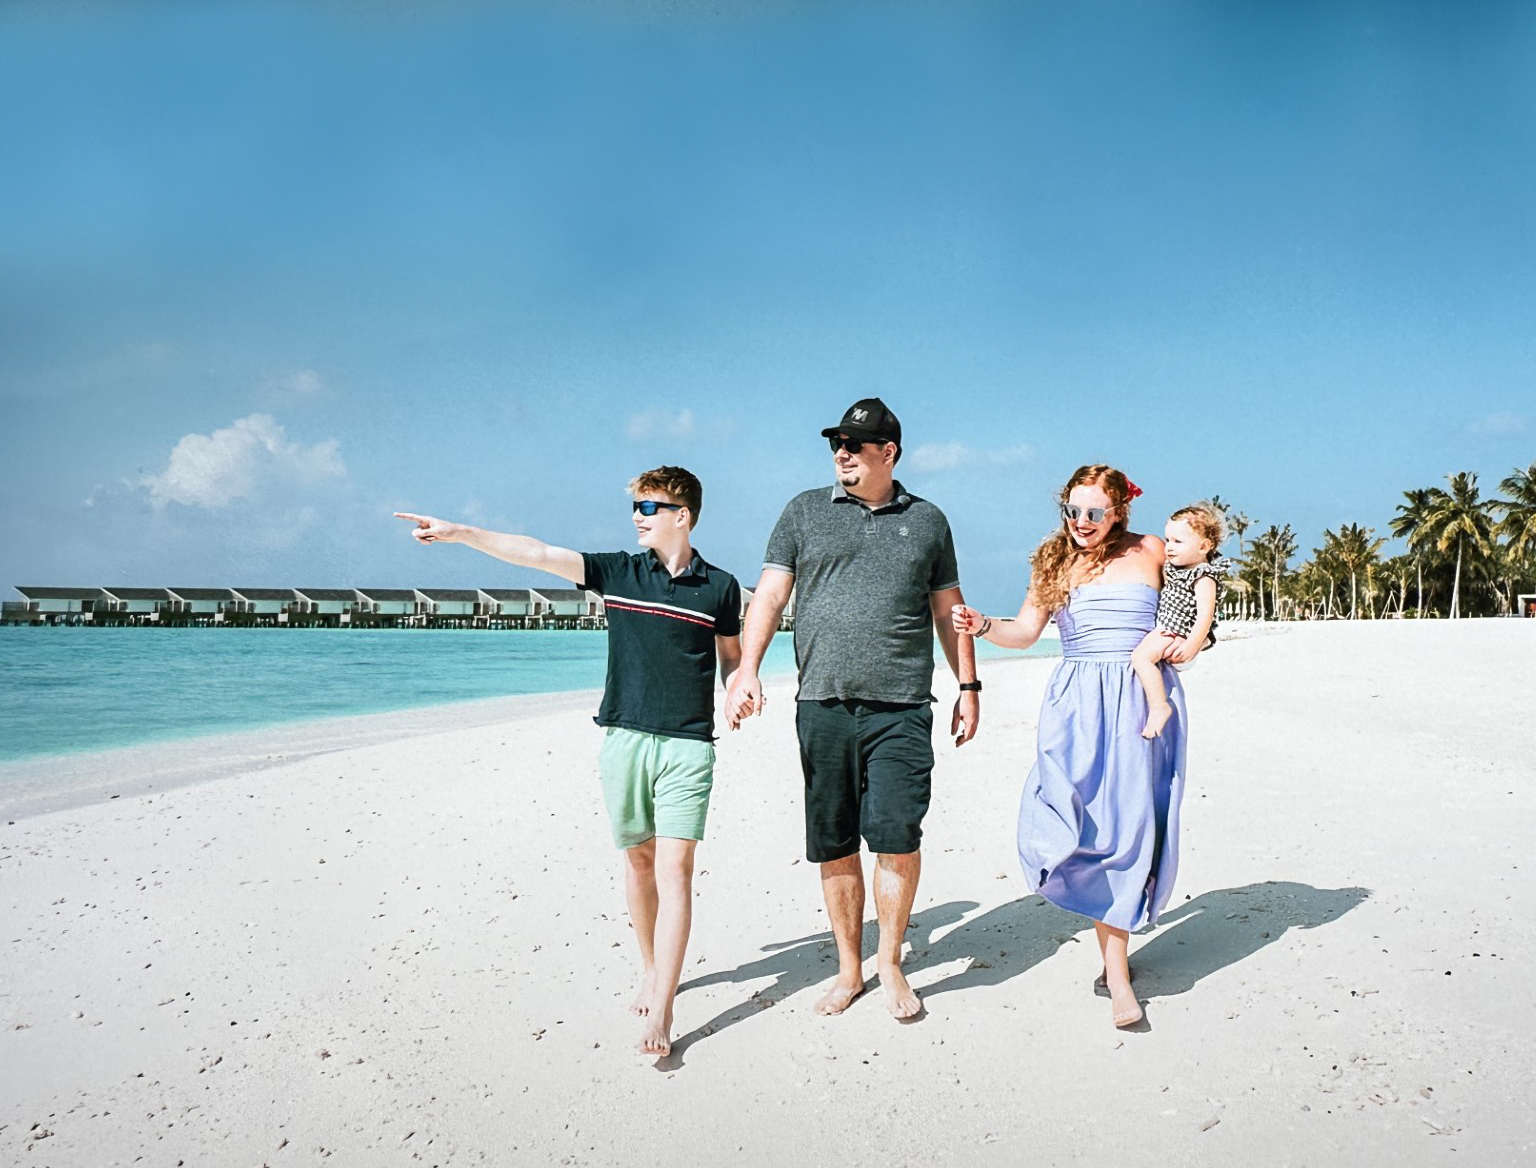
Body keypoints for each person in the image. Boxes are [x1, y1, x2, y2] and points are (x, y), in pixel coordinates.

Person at [394, 466, 742, 1059]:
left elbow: (731, 657)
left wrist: (740, 686)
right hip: (623, 737)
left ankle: (664, 1004)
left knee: (676, 870)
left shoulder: (721, 587)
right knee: (639, 861)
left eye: (649, 506)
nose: (637, 514)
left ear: (682, 515)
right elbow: (535, 553)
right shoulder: (618, 571)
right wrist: (460, 533)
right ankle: (652, 966)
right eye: (635, 504)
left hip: (688, 743)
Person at [724, 398, 979, 1021]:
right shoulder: (803, 511)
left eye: (855, 444)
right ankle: (848, 968)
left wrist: (968, 688)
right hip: (823, 704)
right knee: (833, 840)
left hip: (901, 706)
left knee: (896, 835)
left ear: (888, 453)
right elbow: (771, 595)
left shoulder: (928, 521)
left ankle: (890, 962)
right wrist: (747, 670)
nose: (842, 451)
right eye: (836, 442)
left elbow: (949, 609)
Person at [951, 464, 1185, 1028]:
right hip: (1075, 704)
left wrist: (1193, 641)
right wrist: (983, 625)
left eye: (1094, 513)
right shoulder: (1053, 561)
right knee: (1070, 816)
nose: (1081, 523)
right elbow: (1025, 633)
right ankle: (1085, 904)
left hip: (1138, 702)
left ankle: (1118, 973)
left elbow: (1193, 603)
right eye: (1072, 512)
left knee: (1126, 827)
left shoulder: (1152, 550)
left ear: (1119, 511)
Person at [1130, 503, 1227, 739]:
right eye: (1168, 540)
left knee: (1140, 658)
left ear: (1204, 546)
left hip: (1179, 633)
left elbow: (1206, 615)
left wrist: (1192, 645)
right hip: (1169, 629)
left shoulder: (1203, 575)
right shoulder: (1175, 568)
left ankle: (1158, 706)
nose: (1169, 547)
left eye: (1178, 542)